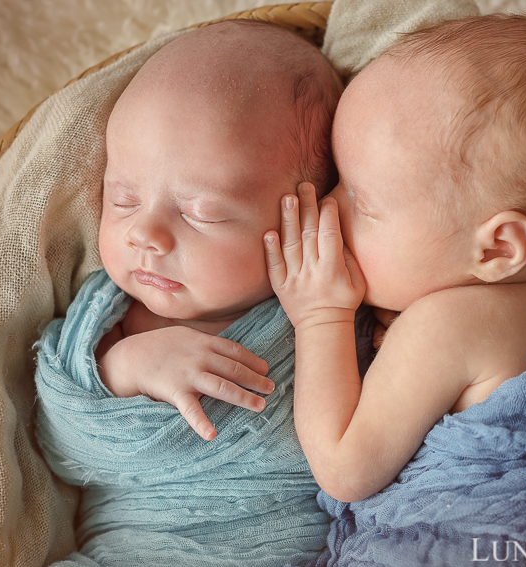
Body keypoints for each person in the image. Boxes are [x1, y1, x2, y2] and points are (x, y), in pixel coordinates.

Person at [265, 14, 526, 566]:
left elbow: (345, 469)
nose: (329, 206)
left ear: (499, 248)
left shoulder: (444, 326)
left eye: (363, 202)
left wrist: (319, 318)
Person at [34, 20, 345, 566]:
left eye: (200, 212)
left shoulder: (328, 304)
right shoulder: (109, 321)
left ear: (308, 215)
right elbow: (58, 450)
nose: (145, 235)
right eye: (124, 199)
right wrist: (127, 369)